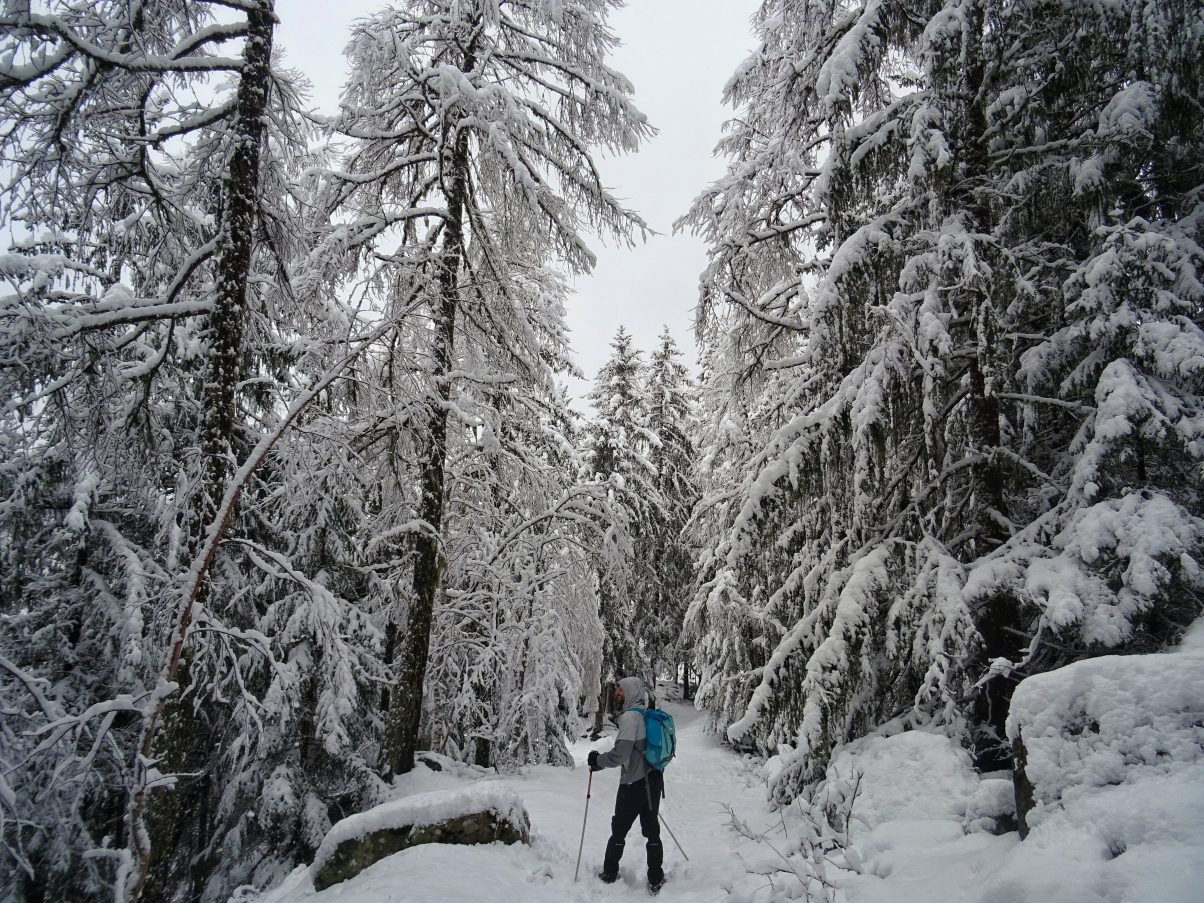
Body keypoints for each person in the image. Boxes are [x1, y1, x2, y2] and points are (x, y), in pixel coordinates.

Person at [587, 675, 664, 893]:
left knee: (619, 829)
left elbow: (620, 754)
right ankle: (656, 878)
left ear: (630, 692)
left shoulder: (631, 718)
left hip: (633, 784)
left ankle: (610, 872)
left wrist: (598, 761)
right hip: (653, 781)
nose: (617, 693)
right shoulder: (646, 715)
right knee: (652, 831)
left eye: (620, 690)